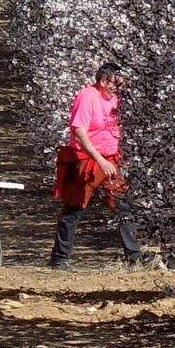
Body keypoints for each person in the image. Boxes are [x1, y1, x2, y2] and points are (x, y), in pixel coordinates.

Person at [50, 61, 141, 268]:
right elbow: (79, 131)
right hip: (87, 159)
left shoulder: (115, 99)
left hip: (110, 159)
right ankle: (60, 259)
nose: (118, 87)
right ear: (102, 81)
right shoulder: (87, 97)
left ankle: (134, 256)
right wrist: (99, 159)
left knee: (122, 206)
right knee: (75, 208)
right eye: (114, 82)